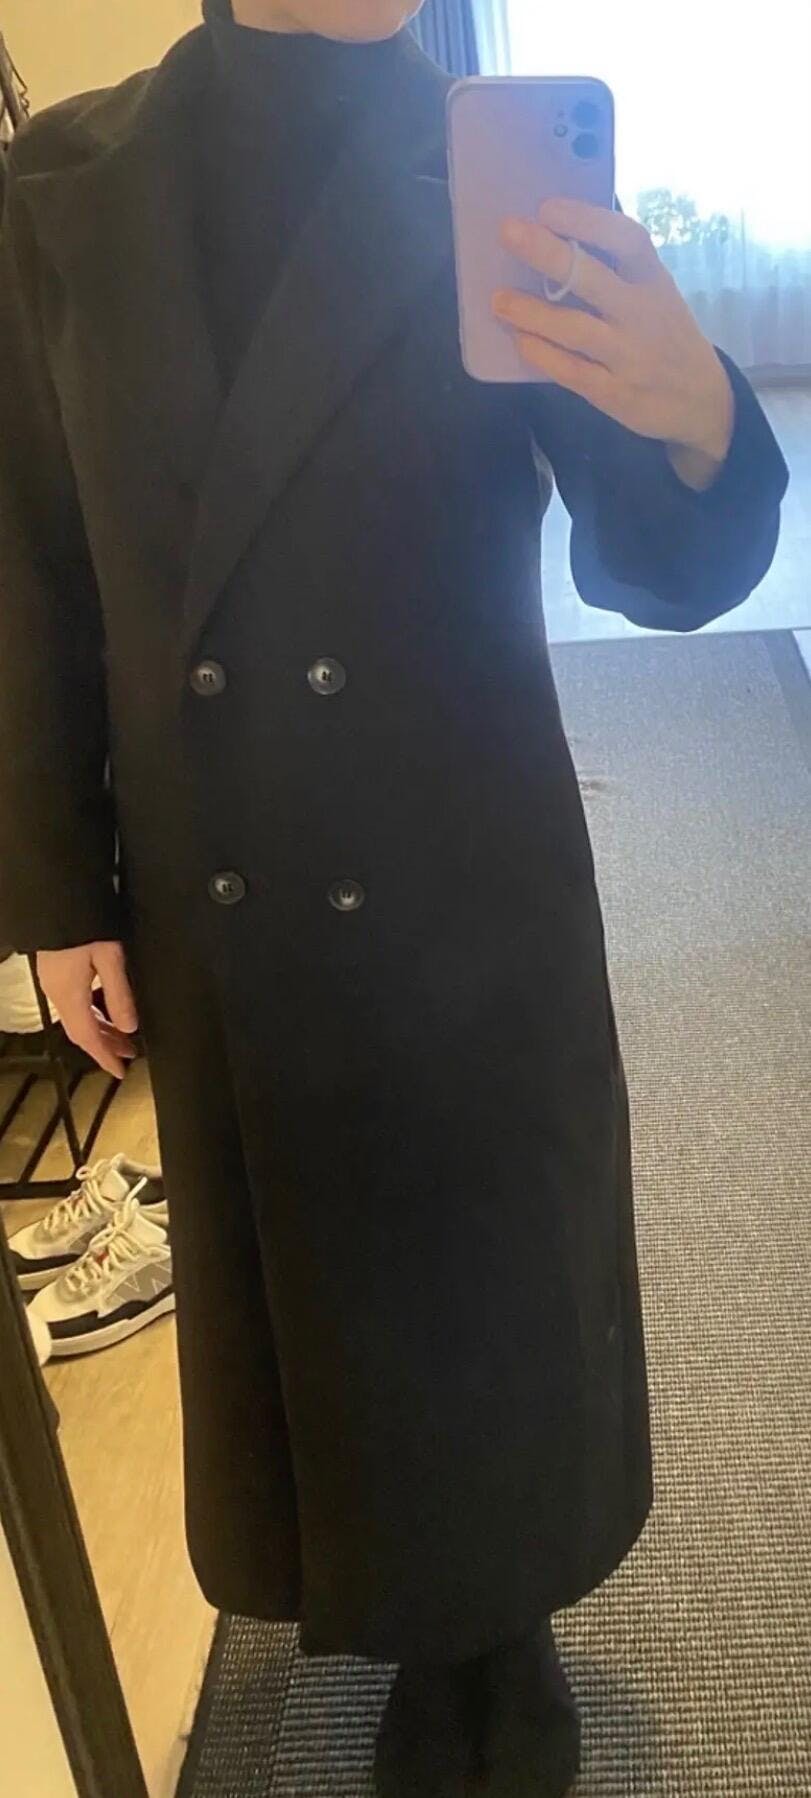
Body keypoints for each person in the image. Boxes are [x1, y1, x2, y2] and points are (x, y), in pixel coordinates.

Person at [0, 2, 789, 1793]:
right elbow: (37, 566)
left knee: (476, 1270)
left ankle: (493, 1630)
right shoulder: (61, 187)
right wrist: (55, 880)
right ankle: (395, 1602)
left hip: (453, 857)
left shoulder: (487, 182)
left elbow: (665, 569)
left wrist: (693, 418)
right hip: (219, 872)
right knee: (311, 1266)